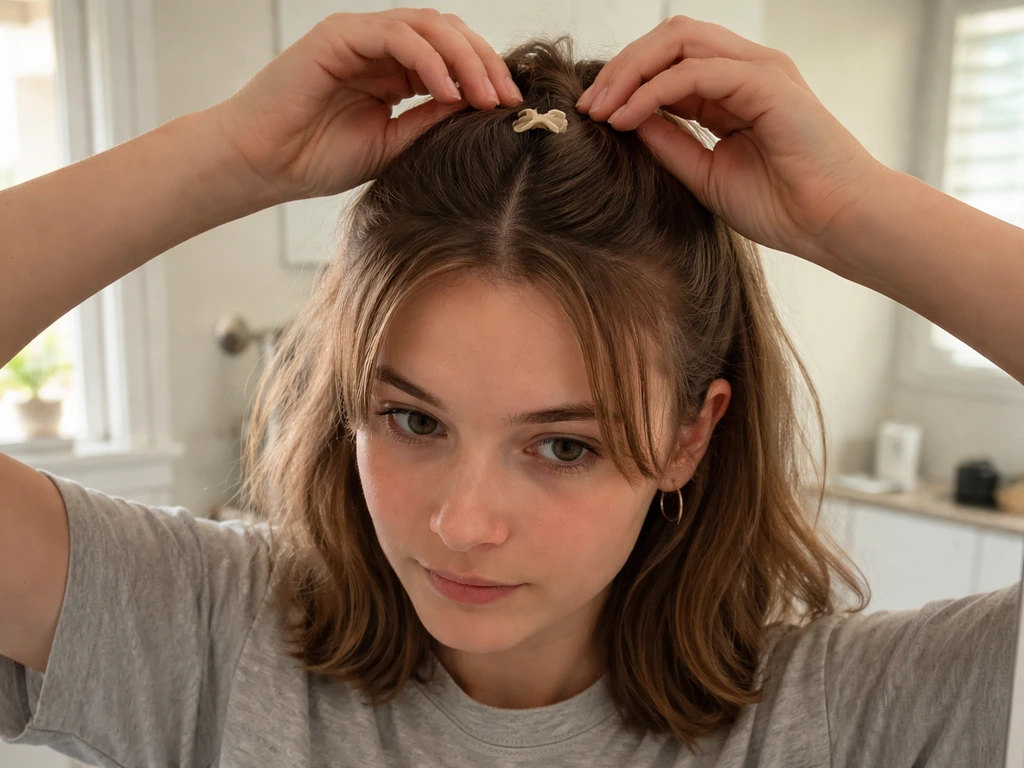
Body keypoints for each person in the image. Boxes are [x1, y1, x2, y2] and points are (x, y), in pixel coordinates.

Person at [0, 8, 1020, 767]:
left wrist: (855, 211)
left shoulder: (853, 718)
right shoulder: (207, 634)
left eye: (563, 444)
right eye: (411, 419)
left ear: (688, 435)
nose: (464, 522)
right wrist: (230, 156)